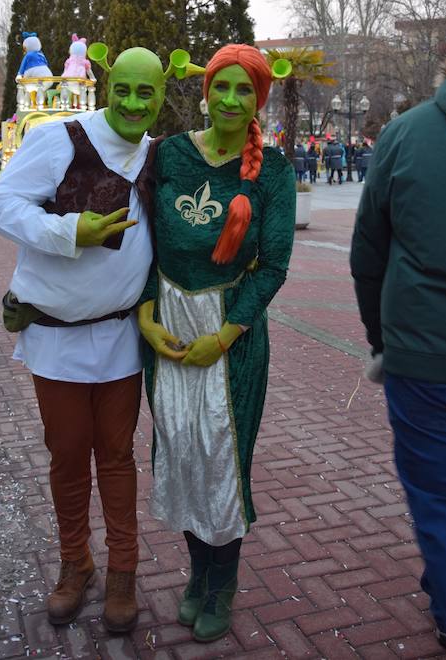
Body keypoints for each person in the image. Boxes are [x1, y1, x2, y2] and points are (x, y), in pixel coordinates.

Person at [0, 47, 167, 634]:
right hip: (56, 339)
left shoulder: (156, 156)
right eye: (124, 90)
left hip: (120, 337)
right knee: (67, 456)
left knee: (116, 457)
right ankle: (76, 562)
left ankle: (123, 572)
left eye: (146, 92)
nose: (133, 103)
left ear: (161, 97)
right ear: (108, 87)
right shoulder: (60, 139)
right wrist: (67, 231)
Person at [138, 44, 296, 643]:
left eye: (244, 90)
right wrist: (146, 317)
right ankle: (198, 573)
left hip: (231, 337)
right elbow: (145, 243)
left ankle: (222, 583)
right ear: (205, 92)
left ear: (259, 99)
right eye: (221, 86)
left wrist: (224, 338)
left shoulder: (274, 172)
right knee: (180, 452)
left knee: (222, 461)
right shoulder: (169, 154)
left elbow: (273, 267)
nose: (230, 99)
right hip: (169, 329)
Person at [350, 21, 446, 657]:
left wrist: (381, 341)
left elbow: (368, 254)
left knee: (444, 506)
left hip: (426, 357)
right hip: (427, 356)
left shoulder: (406, 133)